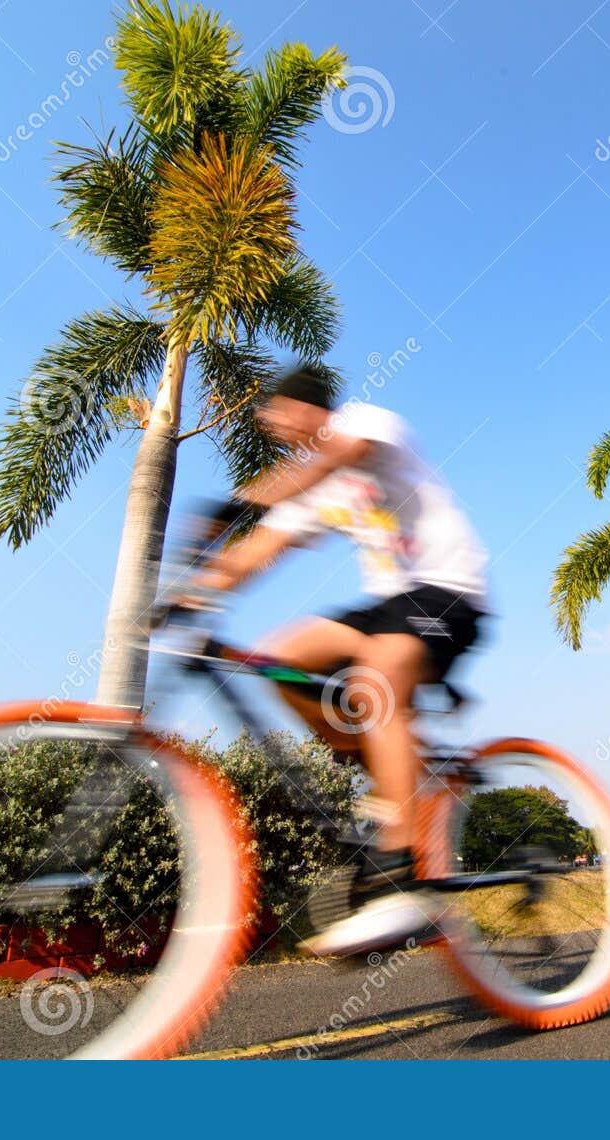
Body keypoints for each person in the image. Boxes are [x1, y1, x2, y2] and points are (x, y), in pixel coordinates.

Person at [177, 364, 489, 955]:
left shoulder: (365, 424)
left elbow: (337, 455)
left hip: (449, 592)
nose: (271, 427)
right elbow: (260, 550)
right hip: (390, 604)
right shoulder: (316, 486)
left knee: (378, 675)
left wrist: (236, 502)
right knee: (275, 660)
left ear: (304, 408)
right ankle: (397, 784)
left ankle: (398, 866)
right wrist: (188, 593)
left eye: (276, 414)